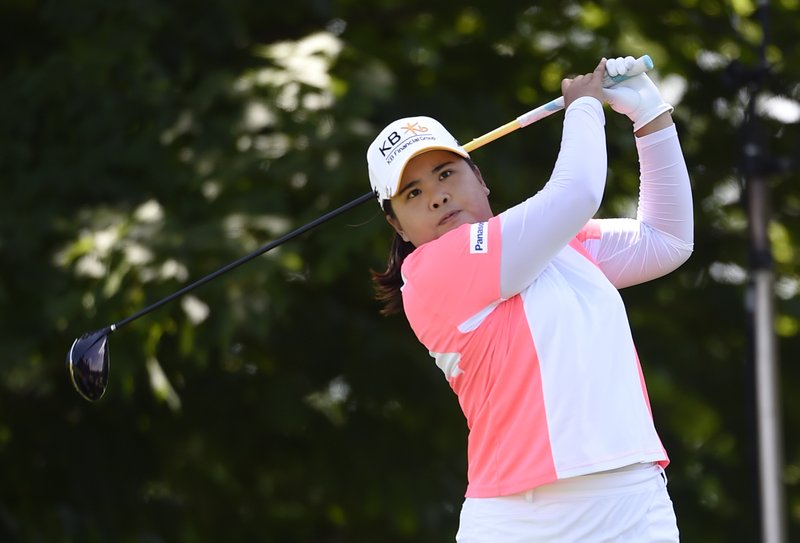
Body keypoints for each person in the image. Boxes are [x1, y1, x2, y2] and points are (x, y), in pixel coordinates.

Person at [366, 57, 693, 542]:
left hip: (633, 503)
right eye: (412, 193)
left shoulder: (564, 245)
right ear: (397, 226)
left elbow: (667, 240)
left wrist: (650, 116)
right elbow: (577, 191)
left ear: (480, 179)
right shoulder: (433, 270)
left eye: (446, 173)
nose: (436, 196)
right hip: (522, 521)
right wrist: (583, 107)